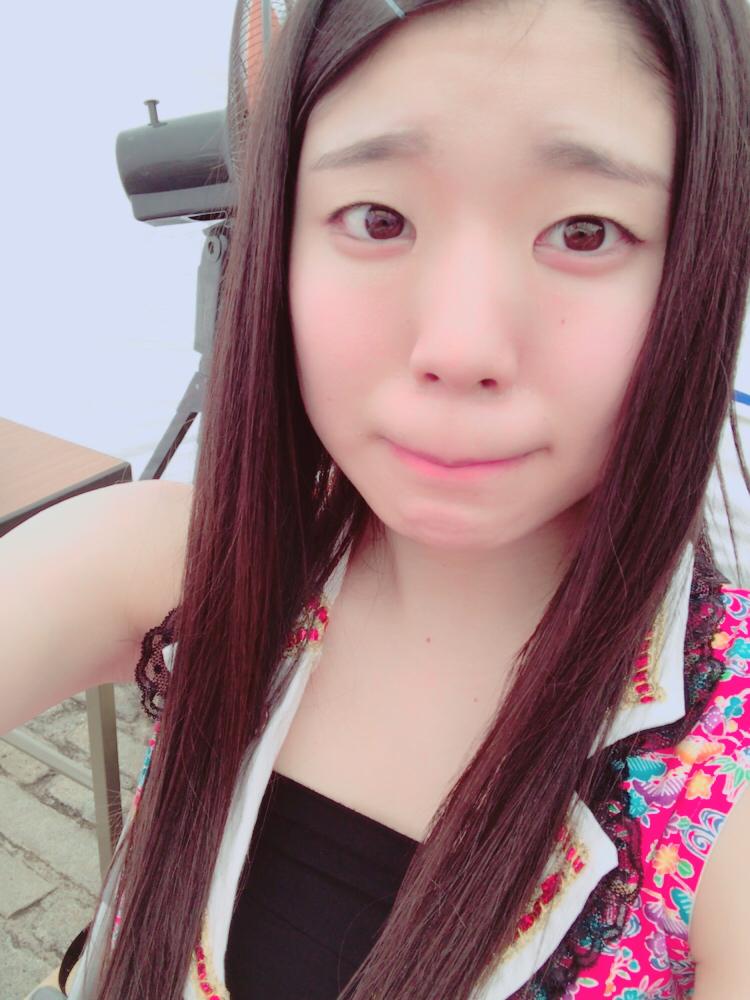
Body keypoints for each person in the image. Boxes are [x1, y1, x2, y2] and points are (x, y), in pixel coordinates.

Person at [3, 0, 750, 997]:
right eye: (378, 219)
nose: (460, 347)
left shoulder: (722, 769)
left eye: (585, 231)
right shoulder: (183, 569)